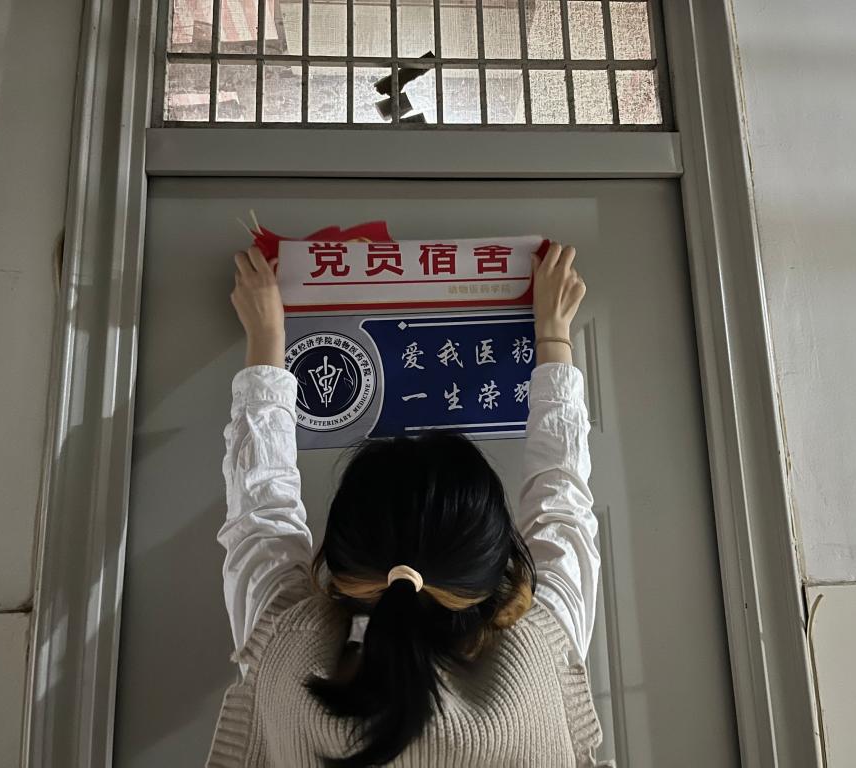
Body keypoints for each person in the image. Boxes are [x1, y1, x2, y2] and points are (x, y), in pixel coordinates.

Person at [207, 241, 603, 767]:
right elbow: (563, 506)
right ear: (498, 560)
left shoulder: (289, 649)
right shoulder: (538, 662)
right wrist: (553, 336)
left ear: (337, 558)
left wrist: (266, 339)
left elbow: (261, 513)